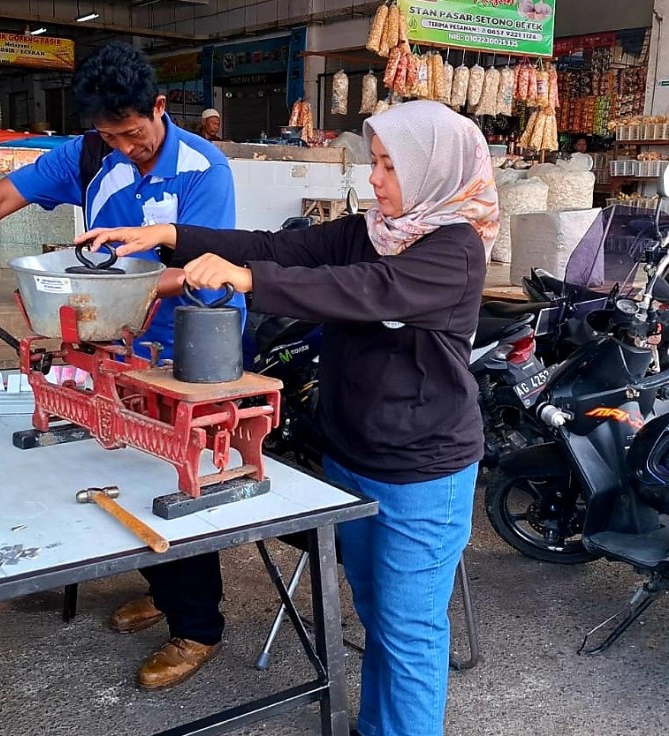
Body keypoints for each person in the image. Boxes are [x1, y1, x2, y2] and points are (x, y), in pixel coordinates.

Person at [78, 100, 498, 736]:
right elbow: (278, 246)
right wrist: (170, 238)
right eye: (374, 163)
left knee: (409, 628)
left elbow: (364, 290)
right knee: (376, 610)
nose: (374, 179)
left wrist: (249, 281)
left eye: (388, 166)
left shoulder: (455, 248)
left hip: (423, 469)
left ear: (434, 170)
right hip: (350, 453)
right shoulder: (373, 228)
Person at [0, 42, 241, 690]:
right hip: (113, 340)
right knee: (122, 463)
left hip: (190, 348)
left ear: (161, 109)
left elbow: (200, 270)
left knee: (179, 480)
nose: (123, 147)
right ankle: (164, 586)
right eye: (109, 135)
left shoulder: (205, 168)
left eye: (133, 134)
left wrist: (110, 292)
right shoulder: (90, 154)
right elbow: (2, 196)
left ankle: (197, 626)